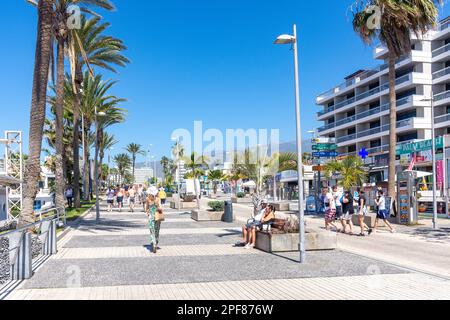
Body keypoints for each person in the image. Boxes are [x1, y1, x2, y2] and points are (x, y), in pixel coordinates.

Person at [146, 186, 163, 253]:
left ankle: (154, 242)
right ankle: (156, 241)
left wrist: (148, 213)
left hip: (151, 216)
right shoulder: (158, 199)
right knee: (157, 230)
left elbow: (146, 208)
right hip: (157, 216)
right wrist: (158, 208)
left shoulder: (148, 199)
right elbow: (160, 208)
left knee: (152, 230)